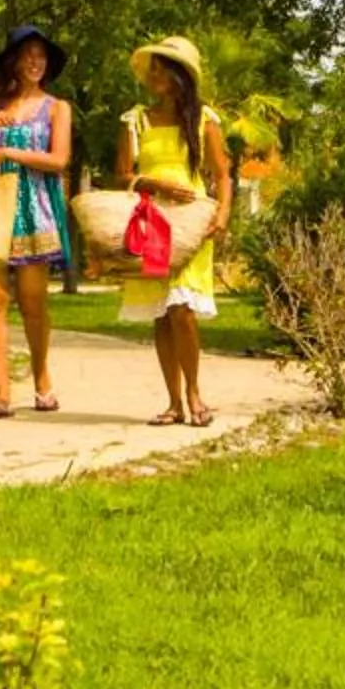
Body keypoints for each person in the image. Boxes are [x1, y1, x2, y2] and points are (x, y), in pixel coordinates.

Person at [0, 23, 74, 419]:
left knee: (32, 302)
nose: (34, 62)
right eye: (27, 56)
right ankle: (1, 394)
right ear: (13, 61)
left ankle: (42, 381)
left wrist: (9, 152)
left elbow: (58, 160)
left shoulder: (57, 108)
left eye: (40, 56)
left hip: (34, 211)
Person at [117, 35, 232, 427]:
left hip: (191, 222)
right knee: (162, 314)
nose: (155, 77)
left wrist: (223, 213)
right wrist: (157, 184)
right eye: (152, 70)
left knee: (182, 310)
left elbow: (222, 174)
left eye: (163, 69)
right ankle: (173, 403)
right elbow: (123, 175)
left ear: (181, 74)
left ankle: (194, 392)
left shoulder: (203, 120)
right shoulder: (136, 119)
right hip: (151, 219)